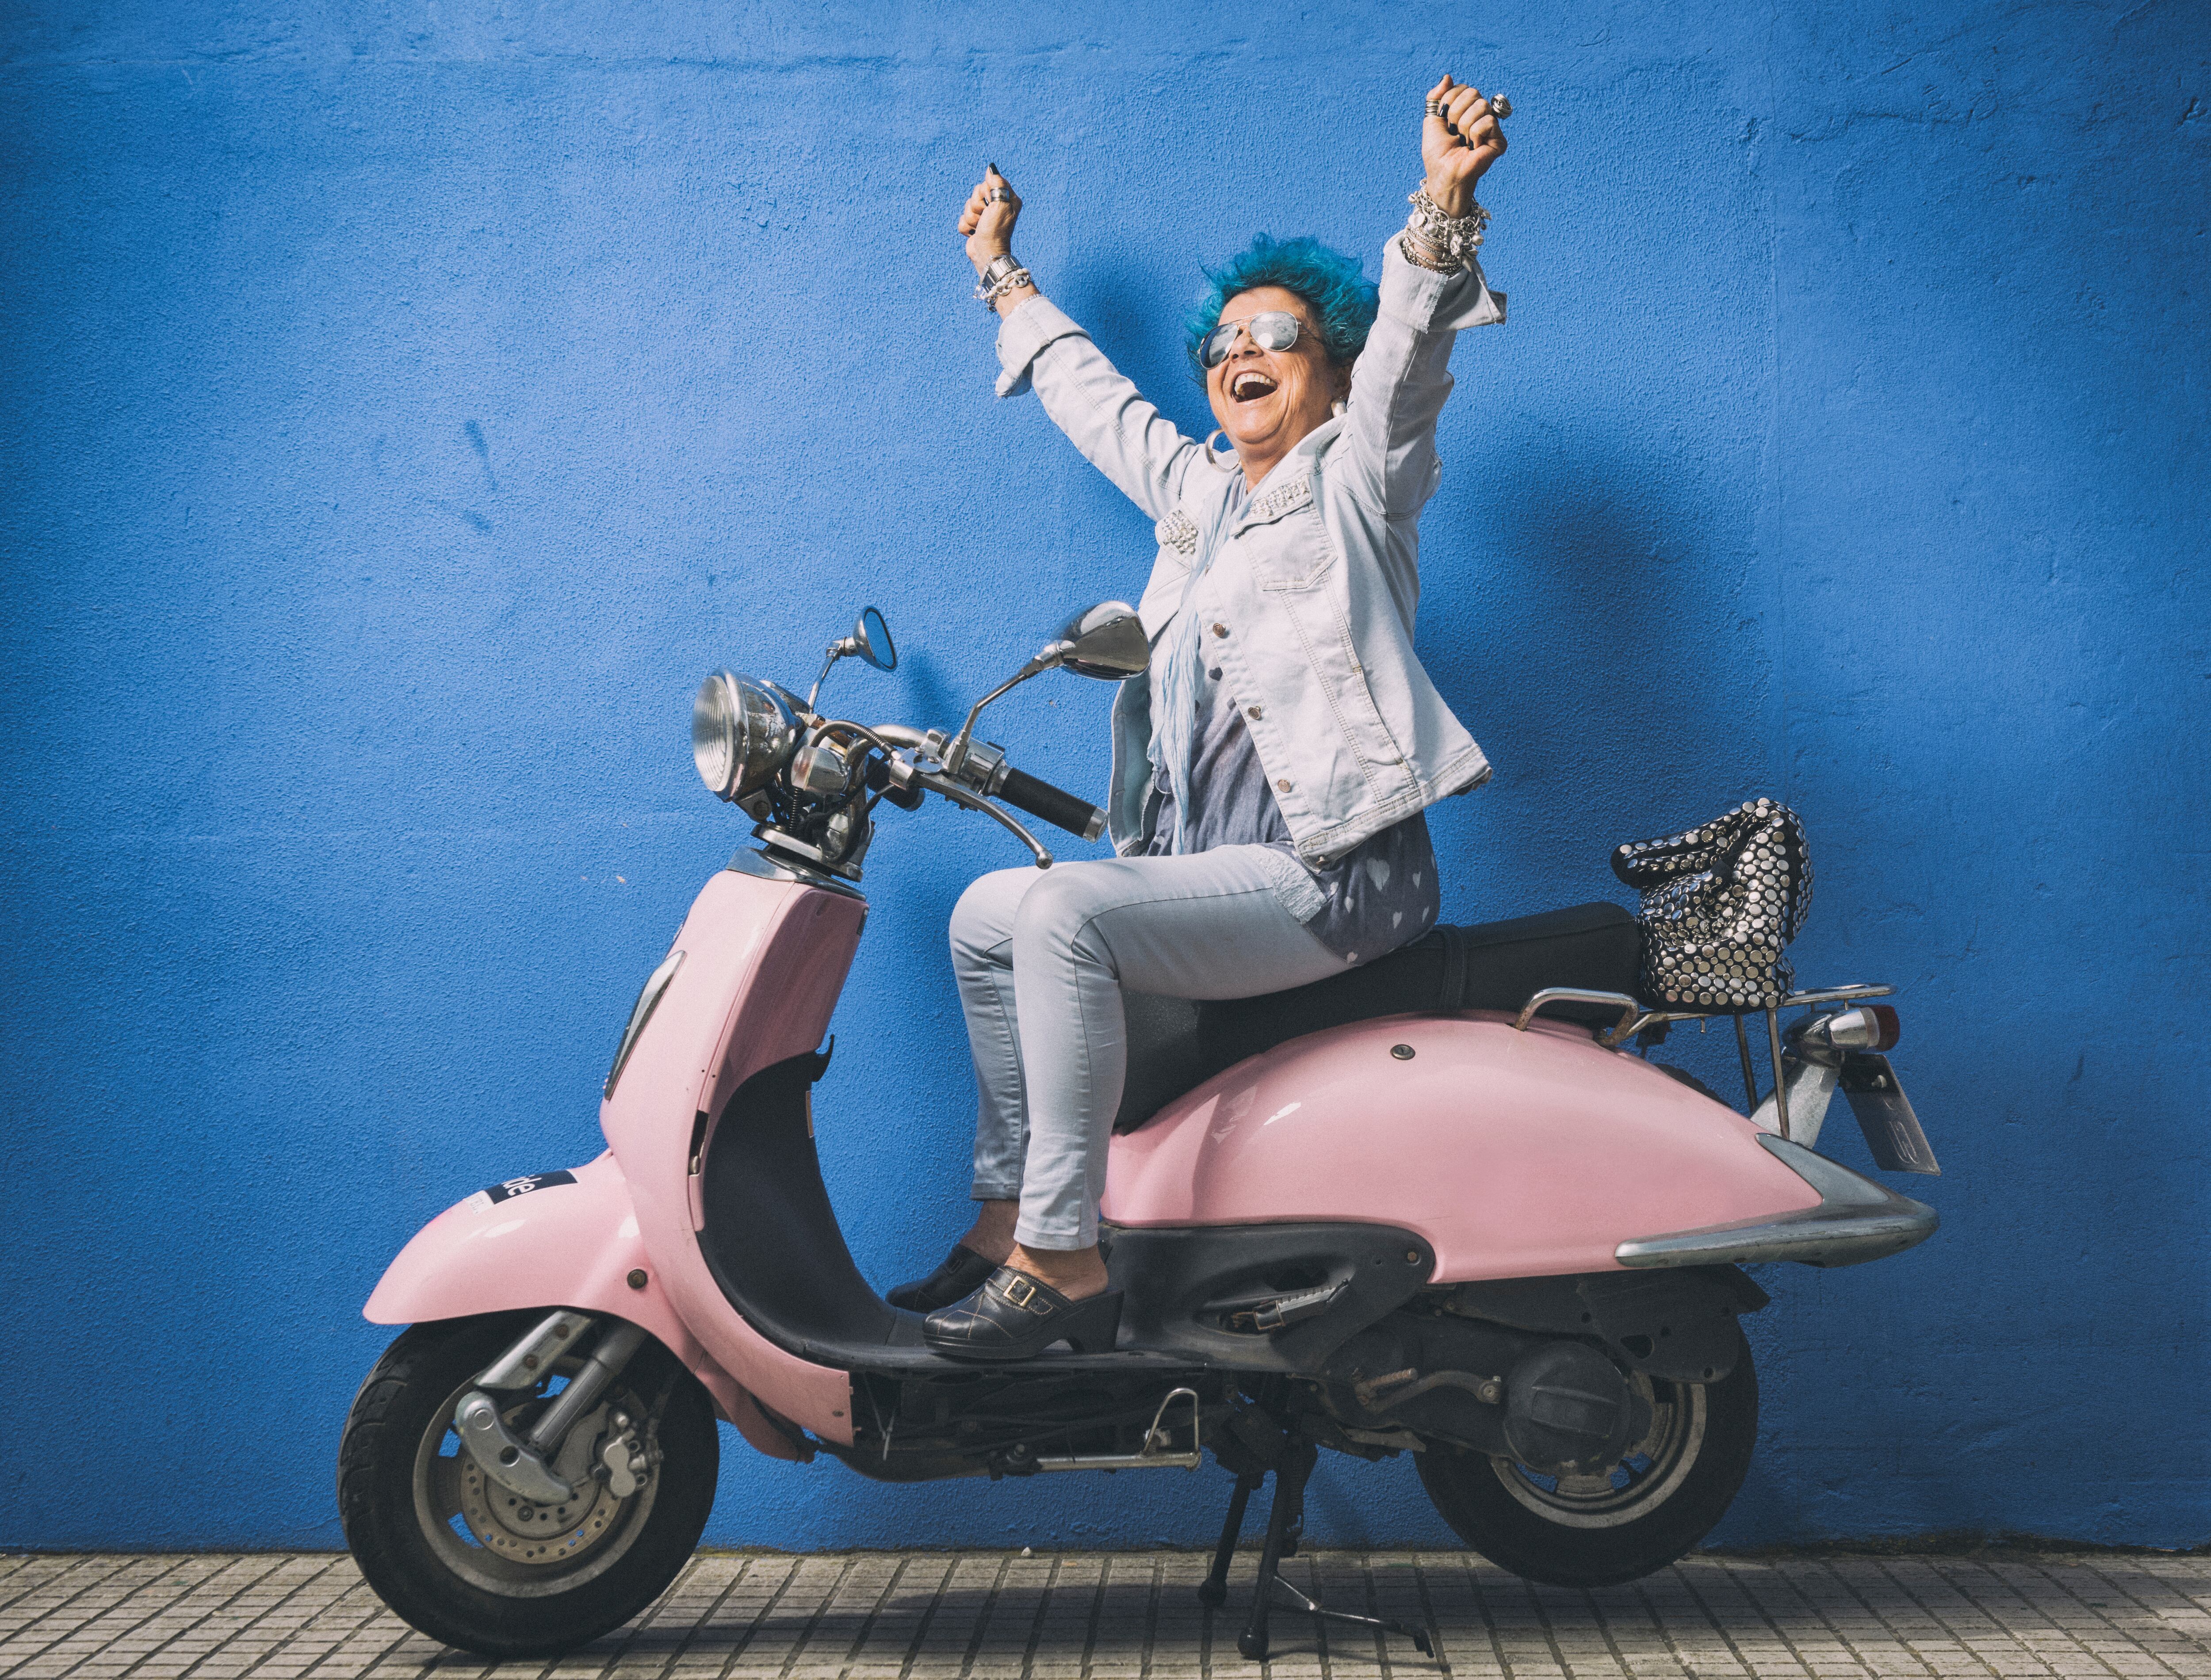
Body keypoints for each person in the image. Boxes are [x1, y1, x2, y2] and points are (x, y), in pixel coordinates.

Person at [897, 77, 1512, 1360]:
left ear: (1328, 371)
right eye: (1224, 340)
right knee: (984, 915)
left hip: (1332, 876)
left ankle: (1066, 1261)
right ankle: (1013, 1215)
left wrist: (1443, 208)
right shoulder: (1196, 501)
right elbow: (1091, 398)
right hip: (1215, 875)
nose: (1240, 352)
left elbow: (1410, 358)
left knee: (1061, 911)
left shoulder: (1359, 482)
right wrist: (1000, 273)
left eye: (1276, 336)